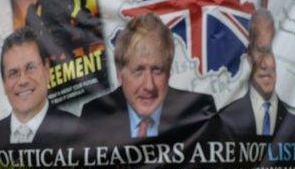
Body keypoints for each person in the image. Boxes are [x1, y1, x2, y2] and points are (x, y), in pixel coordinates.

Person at [81, 13, 216, 143]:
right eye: (138, 71)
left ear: (168, 72)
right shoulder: (95, 115)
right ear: (119, 73)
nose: (149, 86)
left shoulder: (198, 109)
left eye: (157, 70)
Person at [0, 27, 81, 155]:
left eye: (31, 68)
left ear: (47, 70)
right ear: (4, 83)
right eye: (13, 73)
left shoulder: (76, 131)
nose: (23, 81)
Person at [216, 8, 295, 140]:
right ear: (249, 55)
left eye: (272, 51)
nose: (265, 64)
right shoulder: (227, 119)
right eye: (260, 51)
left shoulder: (294, 124)